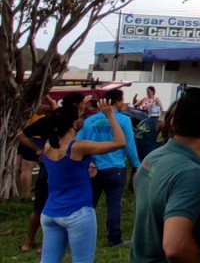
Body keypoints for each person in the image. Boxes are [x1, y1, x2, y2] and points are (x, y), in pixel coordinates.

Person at [130, 87, 200, 263]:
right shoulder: (190, 173)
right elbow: (175, 247)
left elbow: (171, 191)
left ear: (172, 123)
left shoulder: (153, 158)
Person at [40, 99, 126, 263]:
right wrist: (110, 116)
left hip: (50, 212)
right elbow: (120, 142)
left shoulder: (48, 147)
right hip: (77, 212)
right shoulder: (78, 147)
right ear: (74, 124)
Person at [18, 93, 87, 254]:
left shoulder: (51, 118)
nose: (85, 106)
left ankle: (28, 242)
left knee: (39, 207)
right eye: (82, 104)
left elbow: (21, 134)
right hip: (63, 171)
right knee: (52, 206)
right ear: (77, 106)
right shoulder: (71, 123)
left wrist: (39, 151)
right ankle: (44, 244)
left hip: (47, 167)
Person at [76, 88, 139, 247]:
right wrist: (137, 165)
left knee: (89, 204)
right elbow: (129, 146)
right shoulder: (124, 120)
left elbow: (76, 143)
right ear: (117, 102)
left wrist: (88, 161)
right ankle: (114, 239)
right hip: (115, 168)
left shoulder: (90, 121)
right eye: (122, 100)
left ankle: (78, 236)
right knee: (114, 204)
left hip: (93, 169)